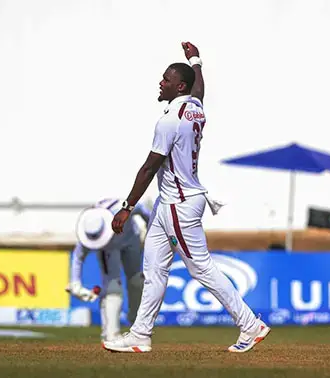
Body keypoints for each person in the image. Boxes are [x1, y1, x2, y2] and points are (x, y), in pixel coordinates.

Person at [102, 42, 270, 354]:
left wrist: (127, 207)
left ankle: (250, 324)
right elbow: (199, 90)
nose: (160, 83)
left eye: (166, 79)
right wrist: (196, 61)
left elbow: (150, 166)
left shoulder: (169, 120)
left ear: (178, 86)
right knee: (153, 271)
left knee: (201, 268)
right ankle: (140, 335)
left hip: (180, 203)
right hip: (168, 204)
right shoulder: (194, 106)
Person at [67, 197, 151, 341]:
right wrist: (75, 283)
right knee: (113, 287)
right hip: (109, 249)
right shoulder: (89, 230)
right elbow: (78, 256)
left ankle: (136, 323)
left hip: (131, 240)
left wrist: (152, 232)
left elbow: (143, 211)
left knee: (137, 281)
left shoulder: (121, 210)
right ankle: (111, 334)